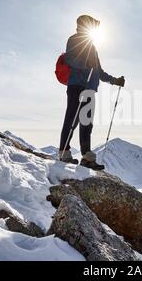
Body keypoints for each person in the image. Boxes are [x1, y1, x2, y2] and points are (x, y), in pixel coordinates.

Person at [59, 14, 125, 170]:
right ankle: (64, 153)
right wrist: (85, 63)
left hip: (90, 89)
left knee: (86, 123)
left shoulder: (93, 47)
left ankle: (87, 157)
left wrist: (115, 81)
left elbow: (99, 72)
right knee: (72, 120)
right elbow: (70, 60)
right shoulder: (74, 40)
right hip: (77, 86)